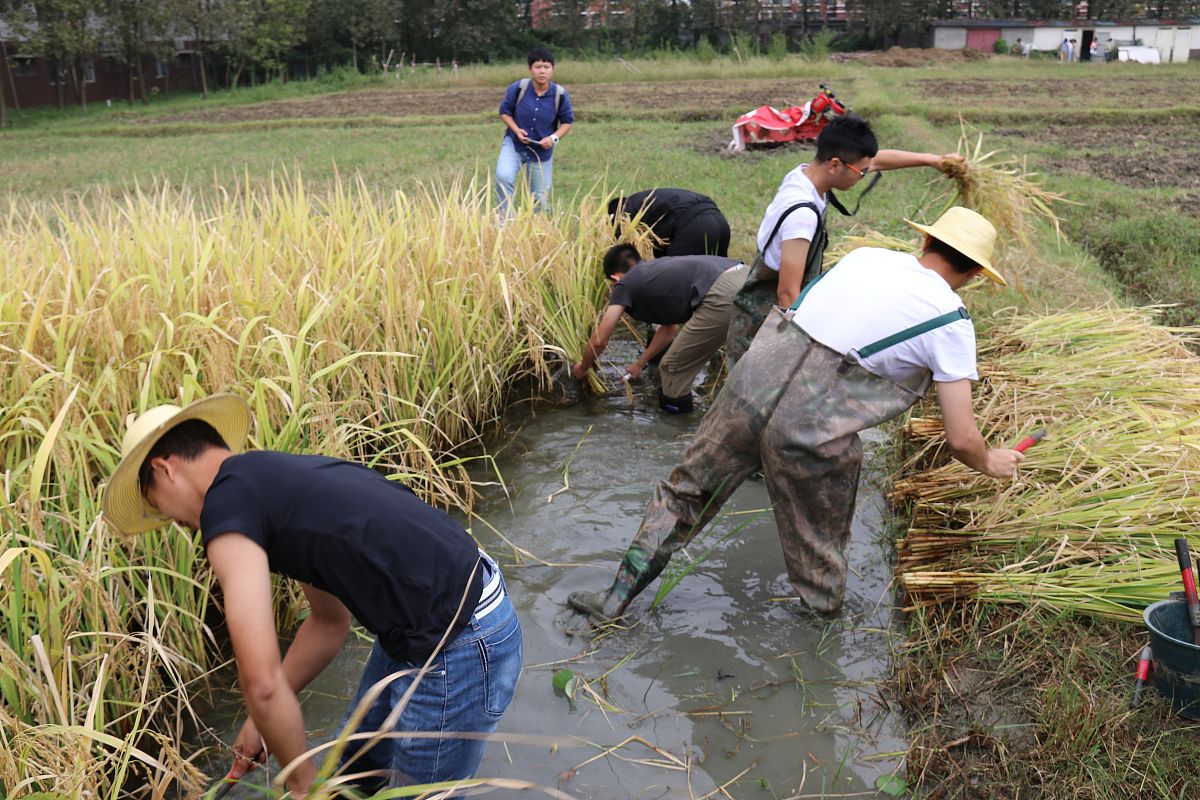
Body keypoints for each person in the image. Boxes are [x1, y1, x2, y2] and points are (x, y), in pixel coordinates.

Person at [568, 206, 1024, 623]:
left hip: (746, 391)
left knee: (682, 494)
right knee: (818, 543)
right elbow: (962, 437)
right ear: (976, 274)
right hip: (810, 431)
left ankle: (613, 602)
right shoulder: (950, 321)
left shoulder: (864, 259)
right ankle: (820, 639)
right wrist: (990, 461)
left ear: (925, 242)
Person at [102, 396, 522, 796]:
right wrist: (260, 722)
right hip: (435, 618)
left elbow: (262, 684)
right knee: (350, 777)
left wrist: (301, 786)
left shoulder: (224, 506)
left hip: (461, 640)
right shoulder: (266, 481)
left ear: (165, 468)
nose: (174, 522)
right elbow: (328, 623)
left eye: (156, 505)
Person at [724, 114, 966, 365]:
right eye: (861, 173)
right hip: (763, 323)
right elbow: (787, 294)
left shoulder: (804, 175)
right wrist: (799, 352)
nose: (863, 176)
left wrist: (934, 160)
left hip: (771, 305)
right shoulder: (802, 217)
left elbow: (877, 161)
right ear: (835, 165)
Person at [571, 245, 744, 413]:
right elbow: (669, 330)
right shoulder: (656, 272)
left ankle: (676, 431)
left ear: (616, 277)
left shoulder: (625, 283)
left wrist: (583, 367)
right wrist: (640, 363)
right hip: (747, 275)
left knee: (672, 368)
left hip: (723, 294)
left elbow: (599, 340)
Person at [495, 48, 574, 216]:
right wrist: (516, 130)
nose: (542, 71)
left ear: (552, 69)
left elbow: (567, 122)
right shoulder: (518, 88)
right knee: (503, 176)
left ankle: (539, 233)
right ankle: (504, 222)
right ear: (530, 69)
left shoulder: (559, 94)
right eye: (538, 66)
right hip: (515, 144)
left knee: (539, 198)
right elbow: (504, 112)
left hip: (541, 151)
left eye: (546, 66)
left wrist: (553, 138)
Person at [608, 188, 732, 258]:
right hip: (719, 221)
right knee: (716, 279)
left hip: (693, 228)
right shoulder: (641, 201)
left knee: (673, 283)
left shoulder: (623, 217)